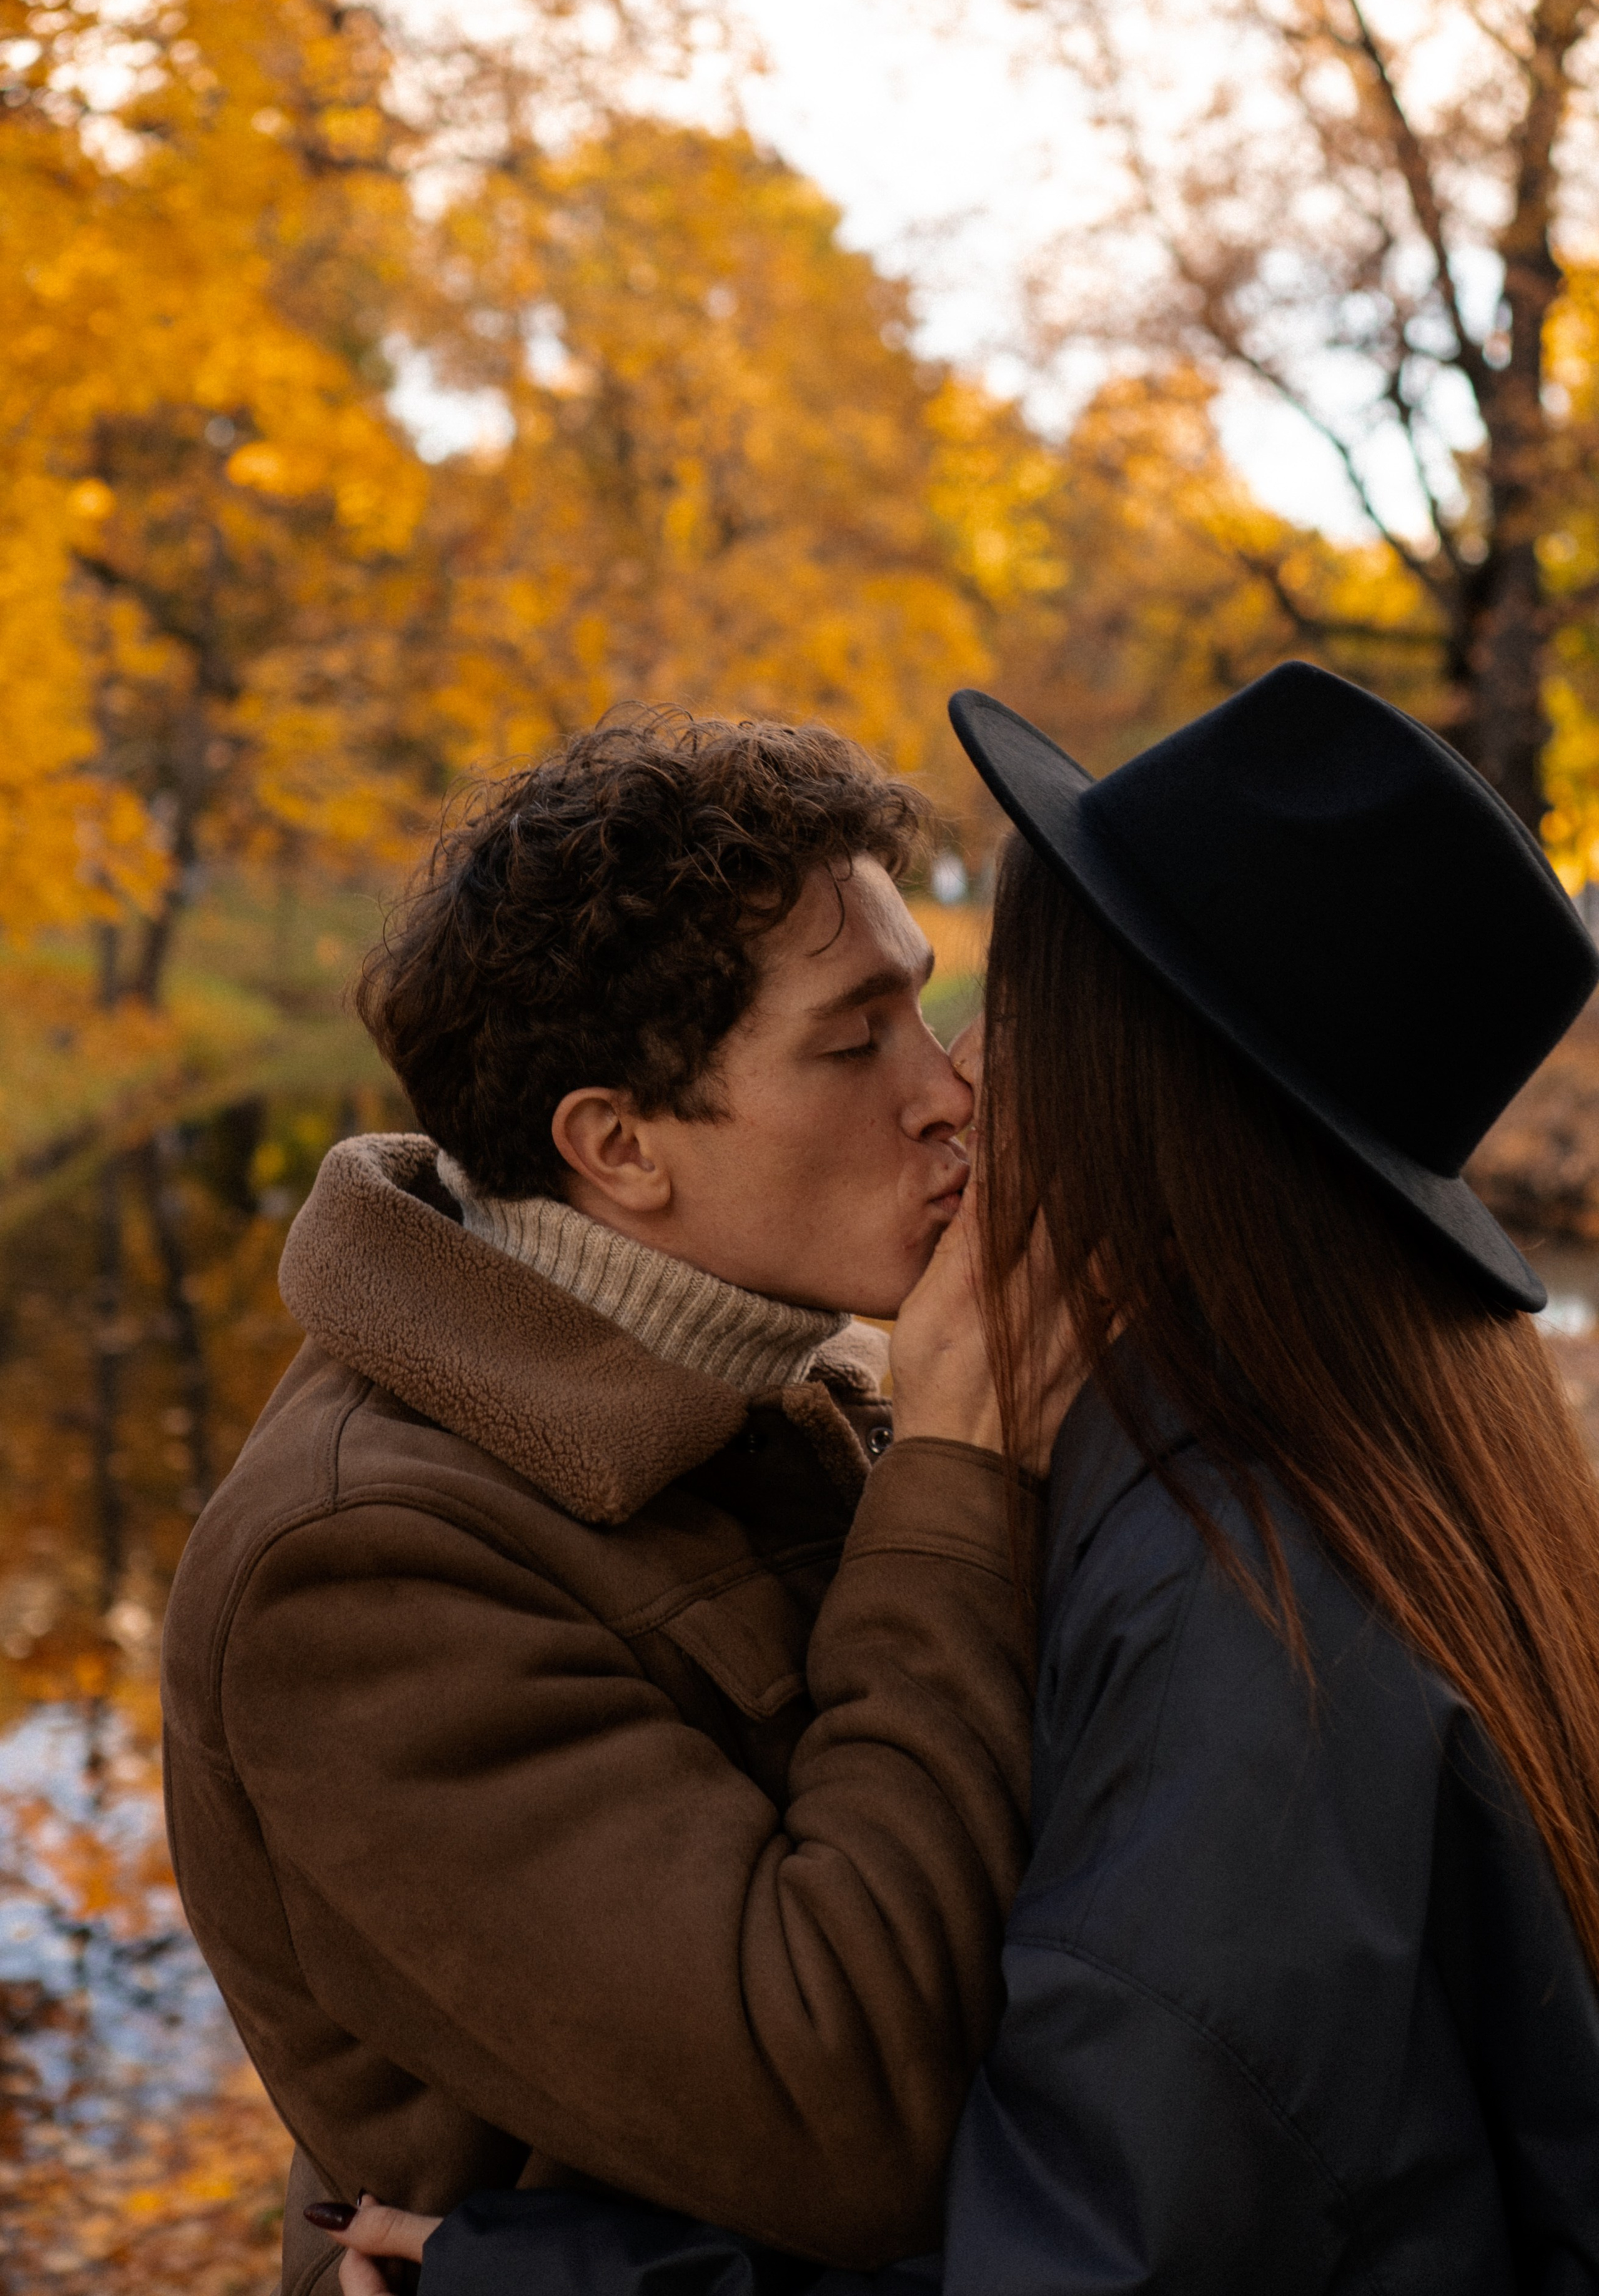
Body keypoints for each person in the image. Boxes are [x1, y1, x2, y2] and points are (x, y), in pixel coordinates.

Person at [318, 661, 1599, 2295]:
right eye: (876, 1033)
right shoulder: (1392, 1420)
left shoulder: (1234, 1568)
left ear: (1136, 1075)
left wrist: (544, 2279)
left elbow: (1109, 2249)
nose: (960, 1080)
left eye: (1004, 1006)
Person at [161, 711, 1081, 2296]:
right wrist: (956, 1470)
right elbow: (848, 2116)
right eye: (854, 1041)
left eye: (920, 1011)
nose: (949, 1097)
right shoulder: (361, 1570)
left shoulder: (784, 1373)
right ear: (617, 1147)